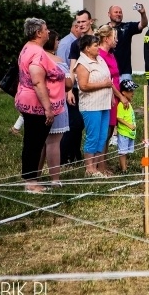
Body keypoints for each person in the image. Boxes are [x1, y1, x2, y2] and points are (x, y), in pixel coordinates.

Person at [14, 18, 67, 193]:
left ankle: (31, 179)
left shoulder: (27, 48)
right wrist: (48, 108)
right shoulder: (37, 52)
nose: (48, 32)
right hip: (36, 105)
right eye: (45, 29)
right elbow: (37, 81)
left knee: (32, 143)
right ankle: (31, 182)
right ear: (38, 33)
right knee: (34, 144)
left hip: (28, 101)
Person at [36, 31, 73, 187]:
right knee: (53, 142)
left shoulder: (36, 57)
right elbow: (68, 84)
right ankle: (55, 179)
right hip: (55, 103)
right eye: (57, 40)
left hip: (38, 103)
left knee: (40, 142)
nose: (58, 42)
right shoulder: (57, 61)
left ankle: (34, 177)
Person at [75, 34, 113, 177]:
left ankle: (96, 167)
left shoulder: (100, 59)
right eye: (95, 45)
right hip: (91, 106)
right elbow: (84, 86)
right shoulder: (82, 64)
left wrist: (111, 95)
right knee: (93, 136)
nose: (98, 47)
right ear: (87, 48)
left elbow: (108, 79)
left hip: (104, 104)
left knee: (102, 136)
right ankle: (89, 168)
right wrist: (103, 84)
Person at [59, 10, 92, 163]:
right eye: (78, 22)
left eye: (83, 21)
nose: (80, 25)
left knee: (87, 124)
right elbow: (71, 68)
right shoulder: (74, 44)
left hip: (96, 87)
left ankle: (81, 156)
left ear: (90, 21)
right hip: (78, 88)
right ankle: (67, 156)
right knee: (75, 123)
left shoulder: (97, 40)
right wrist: (69, 90)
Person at [96, 25, 129, 168]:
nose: (117, 40)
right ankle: (100, 165)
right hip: (107, 96)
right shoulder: (100, 55)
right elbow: (107, 80)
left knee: (109, 131)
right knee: (104, 132)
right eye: (114, 37)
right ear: (106, 39)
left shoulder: (111, 54)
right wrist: (120, 96)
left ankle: (103, 162)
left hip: (114, 96)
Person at [107, 4, 148, 82]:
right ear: (109, 14)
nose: (118, 14)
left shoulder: (127, 27)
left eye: (120, 12)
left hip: (125, 72)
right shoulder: (104, 29)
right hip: (108, 71)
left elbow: (143, 24)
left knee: (126, 91)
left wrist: (143, 13)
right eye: (116, 12)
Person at [116, 80, 139, 173]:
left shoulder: (128, 103)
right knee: (123, 152)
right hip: (124, 132)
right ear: (123, 93)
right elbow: (119, 118)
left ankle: (124, 165)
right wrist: (129, 125)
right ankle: (124, 169)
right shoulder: (121, 105)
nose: (133, 93)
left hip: (129, 133)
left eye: (133, 90)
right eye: (130, 91)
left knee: (126, 151)